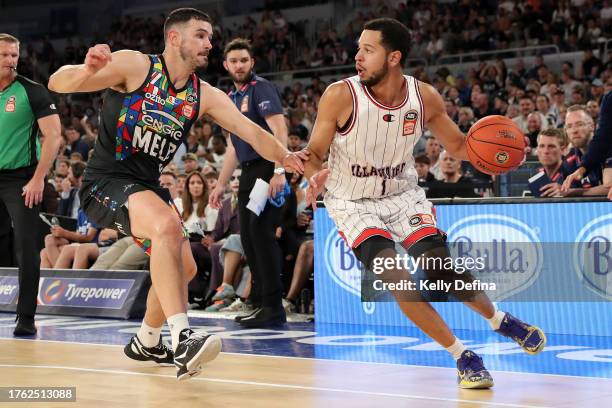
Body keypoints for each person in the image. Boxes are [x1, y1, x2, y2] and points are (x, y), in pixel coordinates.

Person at [48, 8, 305, 381]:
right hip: (105, 182)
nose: (209, 43)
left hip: (147, 188)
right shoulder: (135, 66)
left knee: (183, 268)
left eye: (210, 37)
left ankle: (147, 340)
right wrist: (87, 70)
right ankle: (182, 336)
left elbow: (252, 133)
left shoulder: (204, 94)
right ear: (174, 38)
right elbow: (58, 82)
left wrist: (287, 159)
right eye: (200, 35)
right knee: (168, 225)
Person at [304, 18, 546, 389]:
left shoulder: (425, 97)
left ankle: (500, 320)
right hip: (352, 202)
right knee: (397, 278)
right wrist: (309, 167)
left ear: (394, 57)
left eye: (368, 50)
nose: (357, 57)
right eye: (358, 49)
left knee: (441, 269)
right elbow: (317, 150)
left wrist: (502, 154)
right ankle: (462, 355)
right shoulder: (340, 95)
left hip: (402, 195)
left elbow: (461, 147)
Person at [209, 37, 290, 328]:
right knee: (248, 238)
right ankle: (259, 304)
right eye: (234, 61)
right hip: (247, 173)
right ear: (226, 65)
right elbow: (232, 147)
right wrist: (220, 183)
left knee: (261, 235)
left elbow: (279, 129)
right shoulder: (230, 98)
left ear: (252, 62)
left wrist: (279, 171)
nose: (239, 65)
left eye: (244, 60)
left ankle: (273, 307)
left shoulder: (261, 88)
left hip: (267, 168)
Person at [0, 33, 62, 336]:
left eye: (14, 55)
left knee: (26, 247)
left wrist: (38, 178)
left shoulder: (31, 90)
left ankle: (25, 317)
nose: (11, 61)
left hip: (21, 178)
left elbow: (53, 136)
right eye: (4, 55)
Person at [563, 91, 612, 199]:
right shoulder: (569, 162)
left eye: (579, 124)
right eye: (569, 126)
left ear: (592, 126)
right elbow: (567, 191)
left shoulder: (607, 147)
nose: (574, 130)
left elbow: (608, 186)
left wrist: (576, 192)